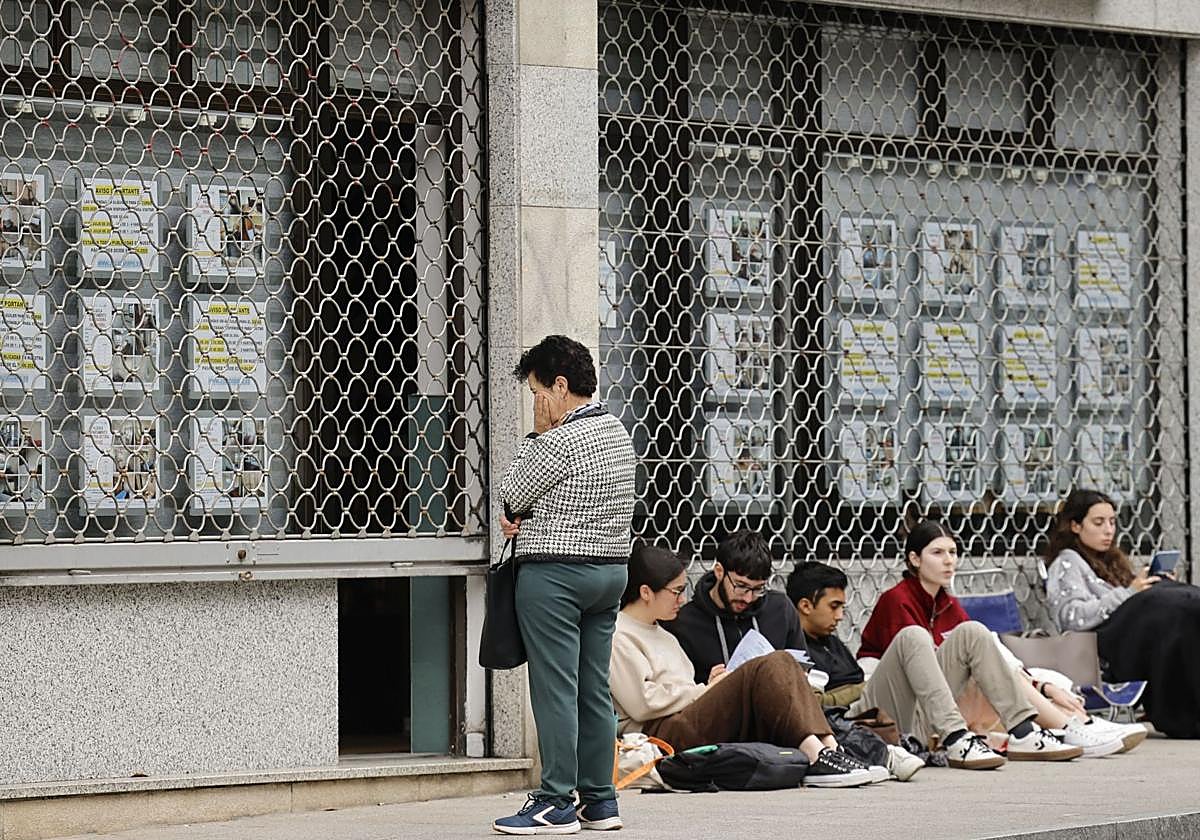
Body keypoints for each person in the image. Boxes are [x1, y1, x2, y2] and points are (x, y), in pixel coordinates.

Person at [491, 336, 637, 835]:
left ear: (560, 385)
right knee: (594, 689)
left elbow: (511, 491)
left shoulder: (556, 440)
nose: (536, 403)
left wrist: (534, 436)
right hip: (610, 573)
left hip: (556, 574)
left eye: (536, 392)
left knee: (555, 689)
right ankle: (601, 802)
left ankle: (555, 800)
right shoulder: (618, 431)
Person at [851, 521, 1129, 765]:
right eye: (937, 553)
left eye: (952, 552)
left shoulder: (947, 603)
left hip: (930, 718)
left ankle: (1024, 730)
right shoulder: (896, 600)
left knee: (975, 631)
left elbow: (987, 652)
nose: (949, 561)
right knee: (915, 637)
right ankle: (960, 738)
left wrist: (1040, 685)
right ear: (914, 559)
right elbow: (914, 674)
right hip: (890, 716)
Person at [610, 544, 874, 788]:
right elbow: (642, 704)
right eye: (676, 591)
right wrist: (705, 690)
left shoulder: (664, 633)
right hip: (658, 733)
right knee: (772, 663)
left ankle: (831, 749)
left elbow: (681, 688)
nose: (682, 599)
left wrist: (711, 686)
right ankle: (818, 757)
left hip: (682, 718)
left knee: (782, 662)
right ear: (646, 592)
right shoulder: (619, 635)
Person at [1045, 488, 1200, 738]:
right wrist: (1130, 592)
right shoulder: (1067, 561)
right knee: (1175, 607)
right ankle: (1182, 715)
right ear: (1075, 526)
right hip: (1102, 646)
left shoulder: (1111, 561)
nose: (1108, 530)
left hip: (1133, 635)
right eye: (1098, 522)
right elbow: (1071, 616)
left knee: (1183, 606)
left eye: (1112, 522)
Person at [663, 530, 802, 685]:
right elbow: (678, 692)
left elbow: (803, 666)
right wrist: (708, 688)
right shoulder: (684, 623)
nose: (748, 598)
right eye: (741, 586)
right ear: (719, 571)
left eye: (758, 589)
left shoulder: (780, 609)